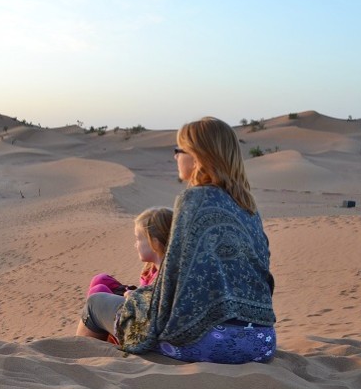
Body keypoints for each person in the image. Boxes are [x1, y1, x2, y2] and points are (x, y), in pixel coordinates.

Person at [115, 117, 276, 363]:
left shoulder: (194, 199)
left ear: (199, 156)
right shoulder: (250, 208)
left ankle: (89, 376)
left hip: (211, 343)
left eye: (180, 150)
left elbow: (173, 282)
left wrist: (137, 300)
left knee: (97, 305)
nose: (175, 157)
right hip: (262, 343)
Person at [78, 207, 173, 342]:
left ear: (155, 242)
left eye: (138, 239)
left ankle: (93, 339)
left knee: (99, 292)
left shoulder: (166, 275)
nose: (135, 244)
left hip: (141, 324)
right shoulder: (151, 268)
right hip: (138, 308)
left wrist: (132, 296)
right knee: (101, 280)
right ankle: (95, 329)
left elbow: (153, 309)